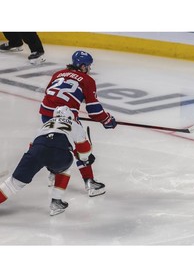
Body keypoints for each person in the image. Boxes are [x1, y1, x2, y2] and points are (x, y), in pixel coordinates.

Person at [39, 50, 117, 197]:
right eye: (88, 66)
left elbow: (48, 92)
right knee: (81, 149)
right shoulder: (87, 80)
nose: (89, 69)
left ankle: (54, 174)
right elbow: (94, 111)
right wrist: (107, 120)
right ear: (82, 66)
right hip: (67, 118)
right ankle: (90, 183)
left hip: (46, 113)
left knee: (55, 143)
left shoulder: (58, 74)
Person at [0, 106, 95, 216]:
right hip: (58, 154)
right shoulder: (74, 124)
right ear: (70, 116)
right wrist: (85, 157)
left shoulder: (44, 125)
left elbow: (32, 146)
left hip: (36, 151)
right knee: (66, 166)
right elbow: (84, 151)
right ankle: (56, 202)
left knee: (13, 183)